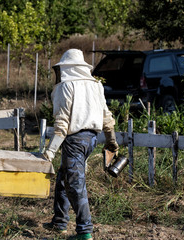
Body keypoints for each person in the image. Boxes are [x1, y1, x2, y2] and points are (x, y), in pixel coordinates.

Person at [42, 49, 119, 240]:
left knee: (76, 184)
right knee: (64, 178)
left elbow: (62, 123)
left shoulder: (65, 86)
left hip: (74, 141)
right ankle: (59, 221)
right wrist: (111, 141)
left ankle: (85, 231)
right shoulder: (96, 86)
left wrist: (50, 151)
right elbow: (106, 117)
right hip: (92, 139)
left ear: (64, 69)